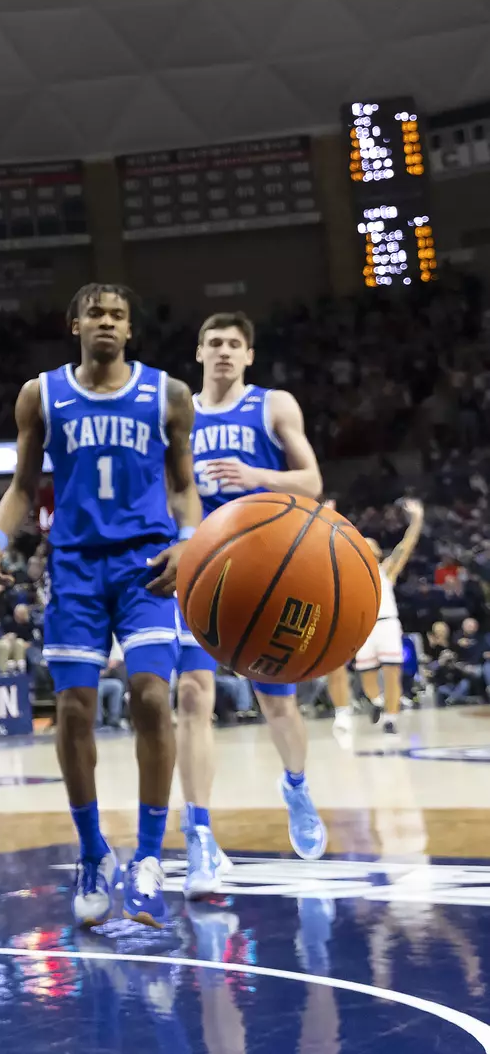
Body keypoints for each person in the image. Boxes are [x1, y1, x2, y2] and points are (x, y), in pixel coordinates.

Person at [0, 283, 201, 929]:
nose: (106, 322)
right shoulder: (41, 394)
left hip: (147, 564)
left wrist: (190, 543)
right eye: (95, 313)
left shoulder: (169, 394)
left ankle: (152, 860)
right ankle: (92, 852)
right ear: (74, 323)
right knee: (74, 711)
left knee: (153, 697)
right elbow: (23, 486)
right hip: (75, 563)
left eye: (118, 314)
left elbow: (186, 488)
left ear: (130, 329)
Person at [173, 312, 328, 898]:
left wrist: (254, 474)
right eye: (213, 343)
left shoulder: (272, 405)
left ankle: (295, 785)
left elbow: (311, 481)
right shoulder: (178, 411)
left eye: (234, 344)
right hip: (200, 569)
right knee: (192, 696)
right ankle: (201, 835)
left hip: (266, 572)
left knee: (278, 705)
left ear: (249, 356)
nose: (223, 352)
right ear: (198, 351)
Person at [354, 499, 424, 735]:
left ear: (376, 552)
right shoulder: (349, 576)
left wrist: (416, 519)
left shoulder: (386, 570)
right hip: (364, 628)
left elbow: (407, 544)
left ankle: (391, 719)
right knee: (367, 678)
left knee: (392, 674)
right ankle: (377, 703)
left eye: (369, 545)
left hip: (386, 624)